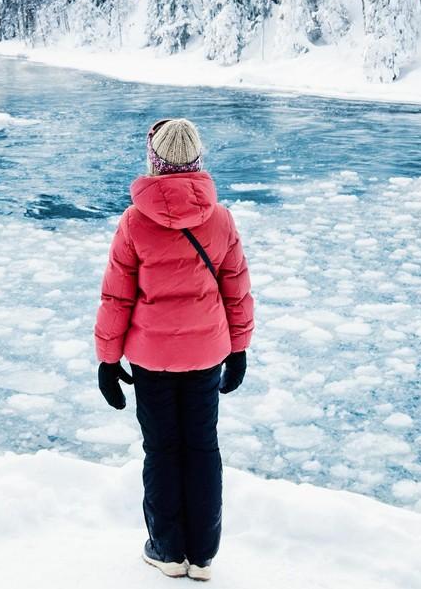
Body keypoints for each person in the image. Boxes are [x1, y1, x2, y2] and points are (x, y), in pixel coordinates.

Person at [93, 117, 254, 582]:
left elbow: (117, 296)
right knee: (202, 448)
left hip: (151, 360)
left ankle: (166, 550)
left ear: (155, 162)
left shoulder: (134, 221)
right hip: (206, 355)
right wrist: (239, 349)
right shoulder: (220, 219)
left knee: (162, 450)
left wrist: (107, 360)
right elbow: (236, 289)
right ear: (197, 161)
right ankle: (201, 556)